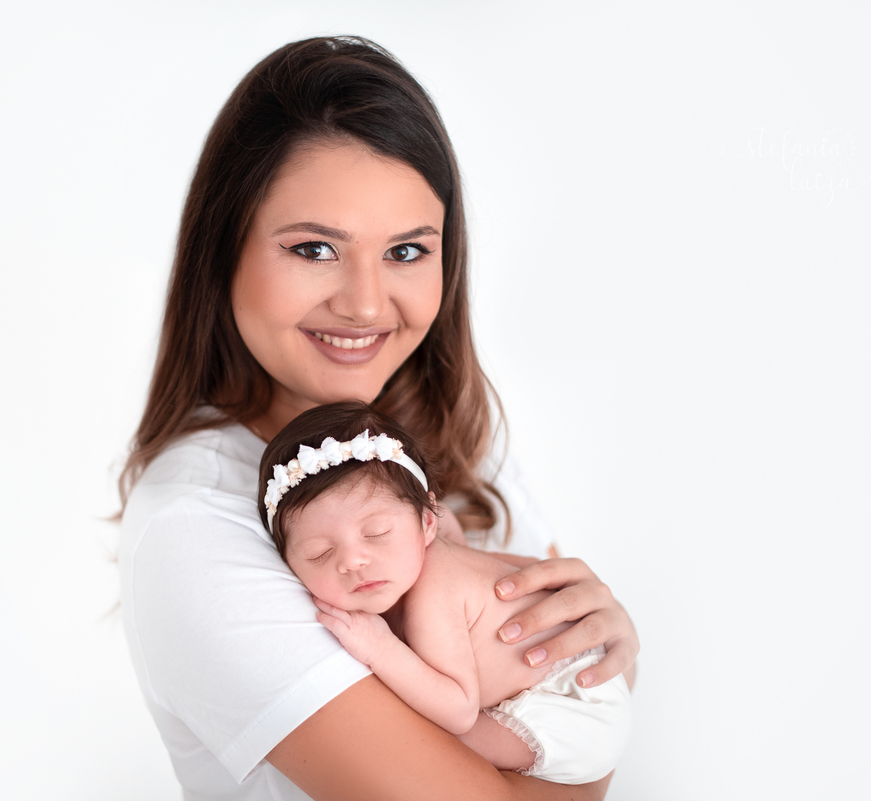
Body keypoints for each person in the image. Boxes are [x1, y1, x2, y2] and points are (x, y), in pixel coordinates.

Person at [118, 35, 639, 801]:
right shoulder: (196, 524)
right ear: (223, 251)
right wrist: (597, 740)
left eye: (405, 251)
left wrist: (611, 657)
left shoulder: (460, 443)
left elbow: (572, 667)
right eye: (314, 248)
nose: (365, 304)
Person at [257, 401, 632, 784]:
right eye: (319, 553)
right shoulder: (427, 545)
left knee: (433, 733)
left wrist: (380, 648)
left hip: (572, 705)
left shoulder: (433, 590)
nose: (353, 561)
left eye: (377, 533)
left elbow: (459, 710)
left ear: (427, 523)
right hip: (573, 682)